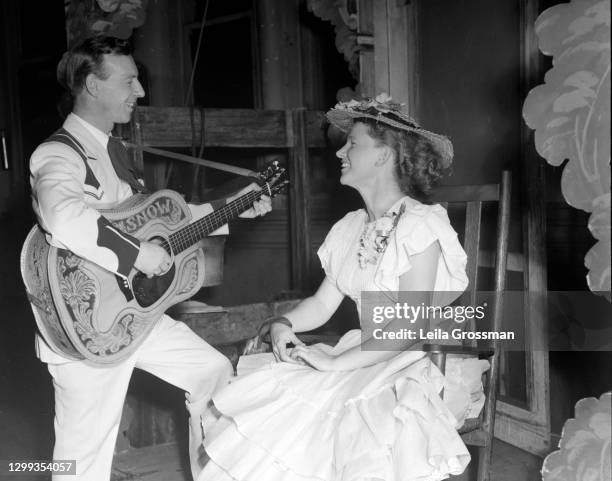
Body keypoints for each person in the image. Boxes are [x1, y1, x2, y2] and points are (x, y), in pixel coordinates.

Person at [197, 94, 489, 481]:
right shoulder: (350, 227)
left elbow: (411, 328)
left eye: (353, 144)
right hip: (366, 352)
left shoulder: (420, 226)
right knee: (278, 405)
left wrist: (335, 362)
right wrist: (282, 324)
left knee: (356, 426)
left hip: (419, 359)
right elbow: (321, 304)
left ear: (384, 156)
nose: (340, 153)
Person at [28, 36, 271, 481]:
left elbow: (163, 221)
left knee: (212, 372)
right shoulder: (59, 152)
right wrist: (138, 255)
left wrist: (234, 205)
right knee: (80, 464)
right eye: (129, 80)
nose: (140, 91)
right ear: (92, 86)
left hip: (135, 319)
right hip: (86, 328)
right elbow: (62, 217)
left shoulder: (113, 150)